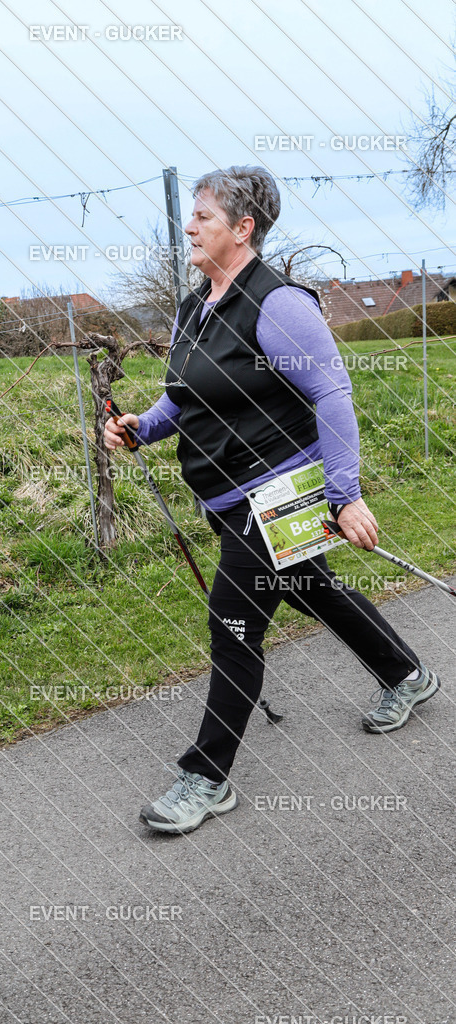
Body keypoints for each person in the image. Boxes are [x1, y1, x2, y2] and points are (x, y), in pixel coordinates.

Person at [104, 165, 440, 835]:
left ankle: (206, 776)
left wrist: (344, 496)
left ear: (243, 228)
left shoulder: (278, 304)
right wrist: (142, 426)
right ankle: (405, 673)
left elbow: (333, 396)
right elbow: (184, 397)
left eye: (203, 216)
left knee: (233, 624)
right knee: (312, 588)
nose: (190, 227)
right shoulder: (195, 306)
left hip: (278, 492)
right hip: (227, 497)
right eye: (193, 215)